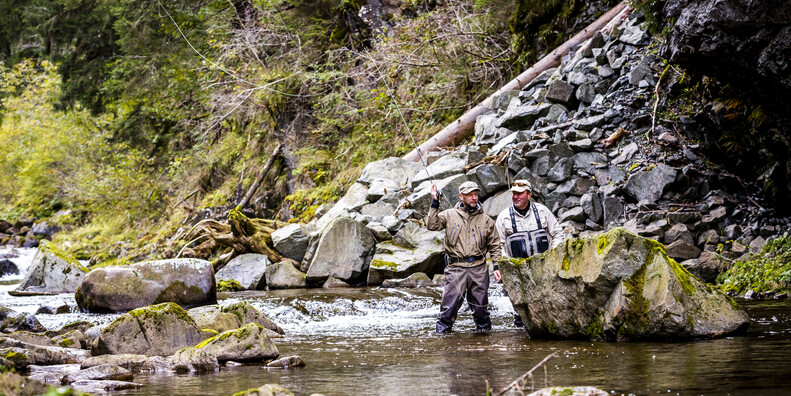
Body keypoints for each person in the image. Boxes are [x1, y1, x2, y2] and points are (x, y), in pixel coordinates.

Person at [427, 181, 502, 333]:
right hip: (456, 269)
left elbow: (495, 245)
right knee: (448, 310)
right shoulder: (449, 215)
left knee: (481, 311)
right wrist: (435, 202)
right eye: (470, 195)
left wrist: (496, 266)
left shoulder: (486, 220)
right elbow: (432, 225)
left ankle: (485, 346)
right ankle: (442, 343)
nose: (474, 198)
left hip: (479, 269)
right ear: (461, 196)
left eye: (476, 194)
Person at [494, 179, 565, 327]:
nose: (516, 196)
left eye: (520, 193)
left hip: (543, 270)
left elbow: (558, 234)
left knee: (546, 309)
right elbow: (496, 245)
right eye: (514, 193)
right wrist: (505, 264)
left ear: (529, 194)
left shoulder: (542, 211)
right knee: (521, 314)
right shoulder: (503, 216)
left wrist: (551, 257)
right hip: (517, 272)